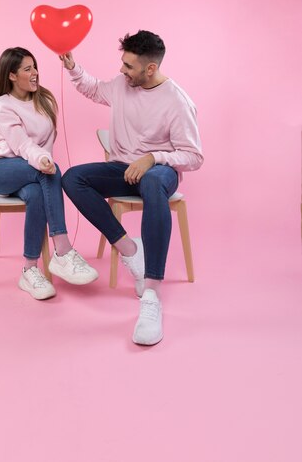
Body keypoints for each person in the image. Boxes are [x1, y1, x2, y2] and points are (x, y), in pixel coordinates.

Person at [61, 30, 203, 345]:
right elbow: (94, 89)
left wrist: (153, 158)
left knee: (153, 182)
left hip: (159, 173)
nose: (123, 71)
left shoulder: (178, 101)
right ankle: (129, 249)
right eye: (123, 64)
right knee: (72, 177)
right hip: (121, 168)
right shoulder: (123, 85)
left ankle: (151, 292)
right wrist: (72, 67)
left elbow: (193, 156)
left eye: (129, 66)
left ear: (150, 69)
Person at [0, 47, 98, 300]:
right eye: (28, 69)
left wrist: (43, 161)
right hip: (2, 170)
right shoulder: (2, 105)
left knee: (36, 193)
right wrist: (43, 161)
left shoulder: (43, 98)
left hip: (32, 172)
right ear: (12, 75)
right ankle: (63, 250)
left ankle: (29, 270)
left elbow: (45, 143)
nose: (35, 73)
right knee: (50, 170)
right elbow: (22, 145)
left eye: (35, 67)